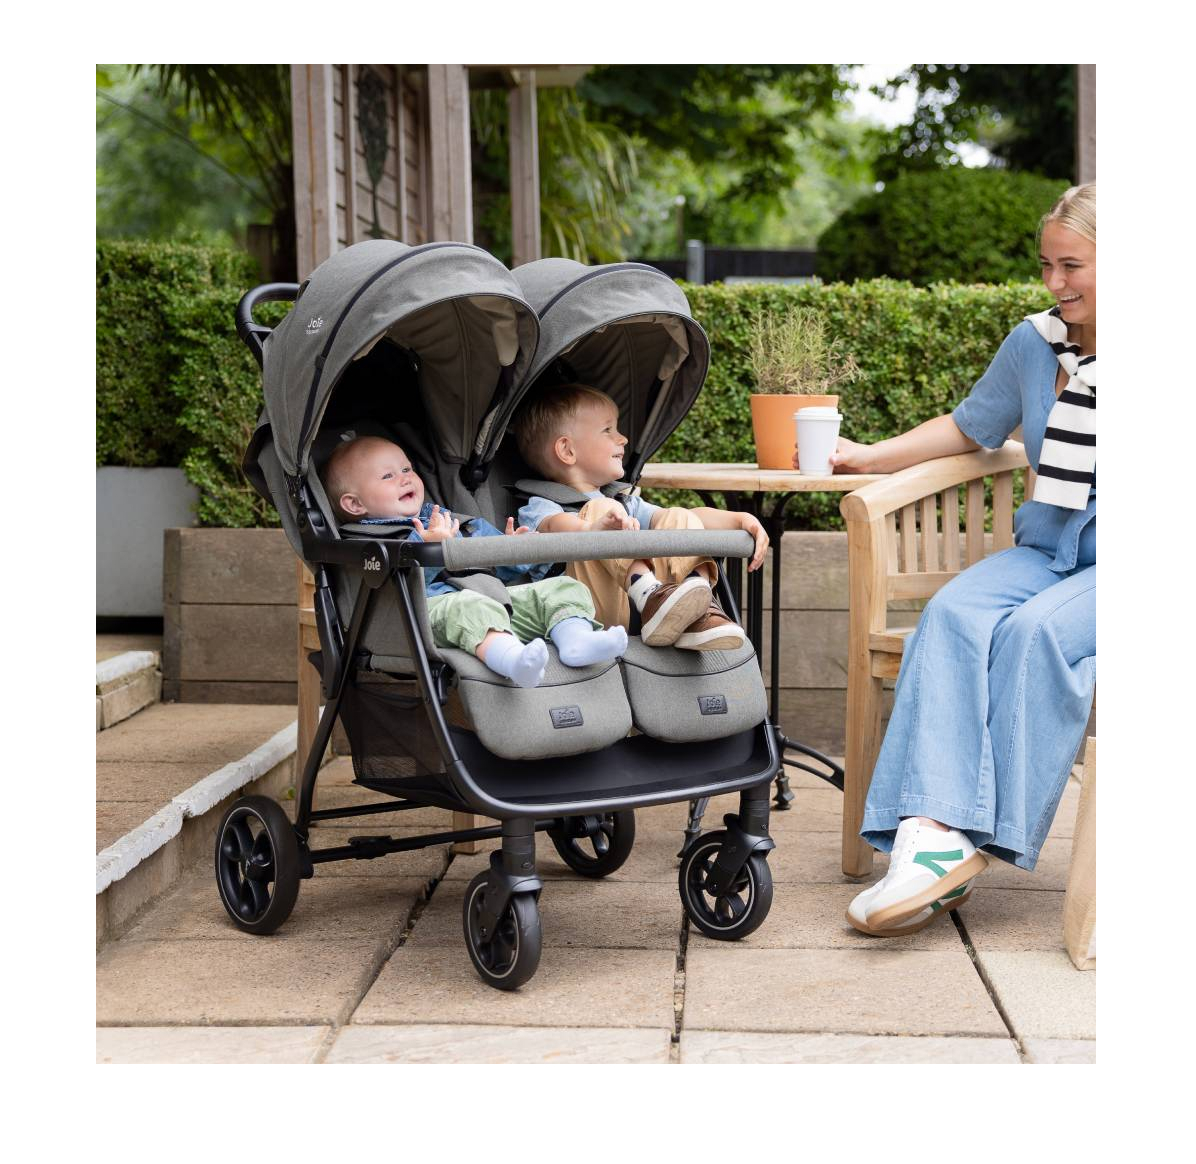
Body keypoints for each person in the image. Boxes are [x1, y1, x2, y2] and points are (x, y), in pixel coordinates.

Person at [794, 183, 1097, 937]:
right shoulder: (1034, 343)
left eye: (1073, 266)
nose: (1055, 283)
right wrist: (869, 456)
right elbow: (971, 427)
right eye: (1047, 265)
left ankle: (973, 843)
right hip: (1047, 544)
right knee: (953, 614)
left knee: (1033, 634)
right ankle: (930, 831)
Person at [325, 435, 628, 689]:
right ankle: (513, 661)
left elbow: (493, 568)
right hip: (425, 616)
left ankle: (576, 641)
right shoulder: (367, 544)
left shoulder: (451, 520)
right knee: (469, 605)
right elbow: (391, 589)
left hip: (493, 601)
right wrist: (427, 549)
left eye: (407, 468)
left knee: (562, 587)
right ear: (355, 504)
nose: (405, 477)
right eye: (388, 476)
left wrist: (512, 551)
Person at [513, 383, 769, 650]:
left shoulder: (624, 503)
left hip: (653, 612)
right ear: (567, 450)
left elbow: (689, 519)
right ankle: (649, 593)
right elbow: (556, 527)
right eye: (608, 430)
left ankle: (697, 609)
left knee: (677, 516)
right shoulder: (540, 506)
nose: (623, 438)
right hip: (588, 614)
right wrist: (596, 527)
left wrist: (740, 520)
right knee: (604, 512)